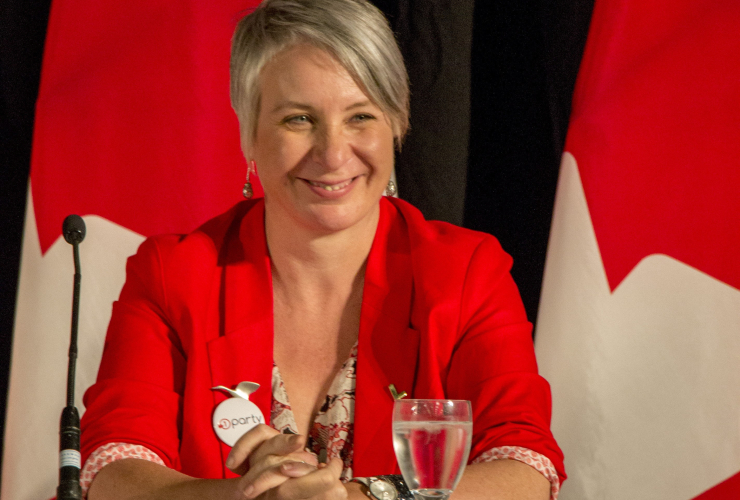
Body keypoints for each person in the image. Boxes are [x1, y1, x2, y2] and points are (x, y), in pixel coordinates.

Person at [80, 0, 565, 499]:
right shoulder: (173, 273)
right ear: (249, 131)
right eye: (298, 119)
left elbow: (525, 467)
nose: (333, 154)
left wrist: (360, 498)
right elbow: (112, 468)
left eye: (360, 116)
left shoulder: (466, 272)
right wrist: (252, 497)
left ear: (396, 124)